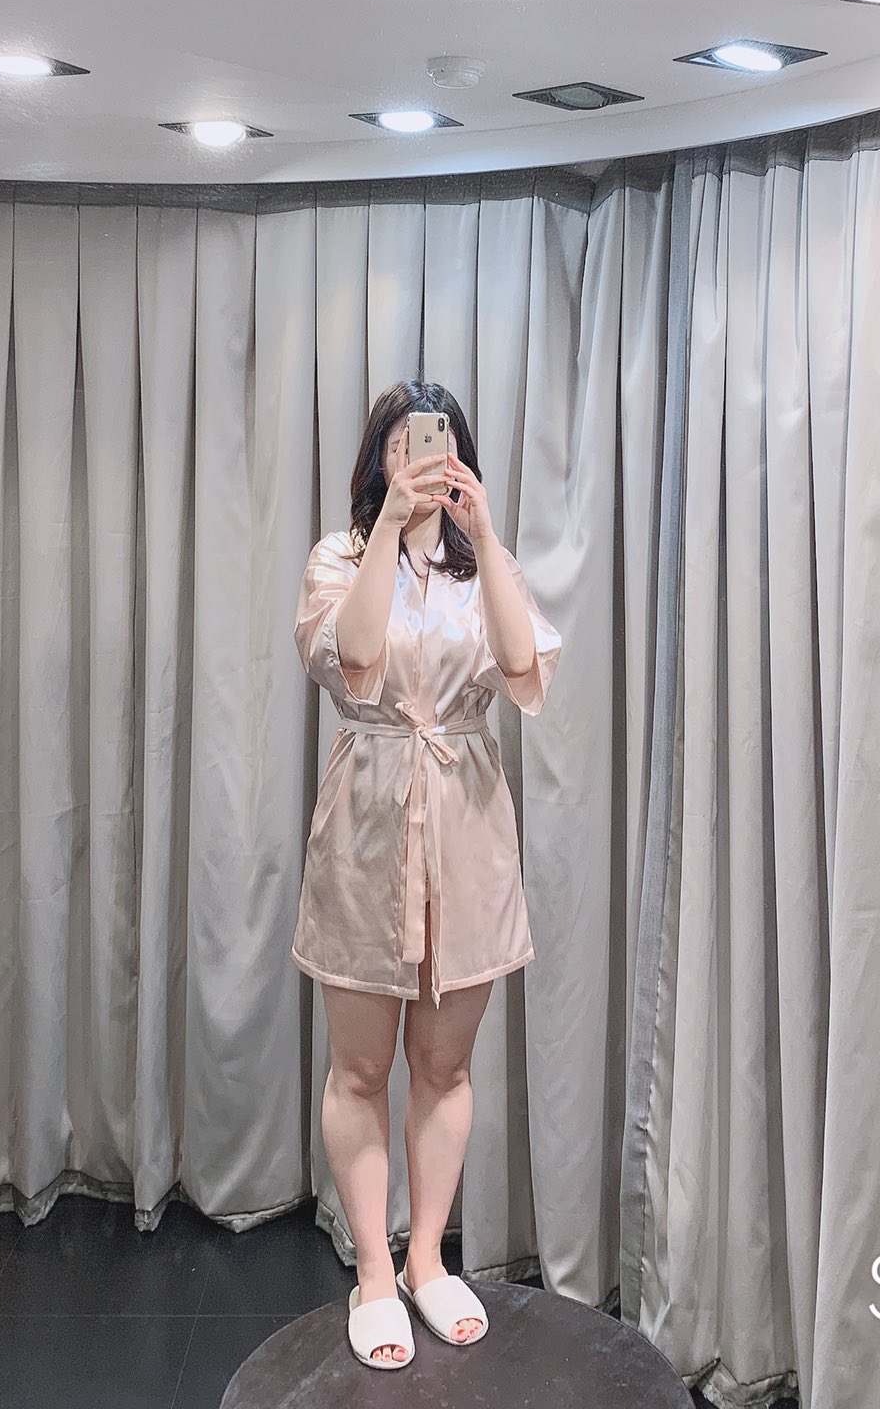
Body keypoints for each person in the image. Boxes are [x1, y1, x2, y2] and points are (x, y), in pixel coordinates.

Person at [291, 379, 561, 1371]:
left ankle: (426, 1258)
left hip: (467, 821)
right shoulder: (339, 556)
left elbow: (523, 664)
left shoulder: (481, 566)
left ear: (461, 457)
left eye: (437, 445)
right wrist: (389, 533)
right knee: (361, 1068)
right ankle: (372, 1271)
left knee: (445, 1067)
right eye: (403, 446)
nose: (422, 460)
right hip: (367, 818)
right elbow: (354, 653)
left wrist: (483, 537)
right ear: (379, 457)